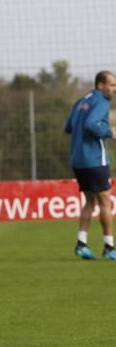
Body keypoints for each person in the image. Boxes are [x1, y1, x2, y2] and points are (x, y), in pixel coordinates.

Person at [65, 70, 116, 260]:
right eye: (112, 85)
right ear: (101, 85)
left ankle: (81, 243)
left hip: (78, 160)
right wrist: (110, 132)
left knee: (90, 201)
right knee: (105, 202)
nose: (115, 89)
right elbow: (92, 124)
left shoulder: (80, 102)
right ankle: (109, 247)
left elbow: (68, 127)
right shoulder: (102, 102)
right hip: (95, 159)